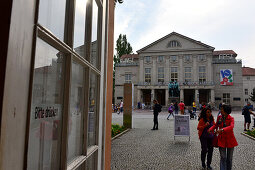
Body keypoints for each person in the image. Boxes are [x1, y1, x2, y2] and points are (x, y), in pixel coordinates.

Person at [209, 104, 238, 170]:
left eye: (222, 109)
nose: (220, 110)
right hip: (221, 139)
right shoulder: (219, 117)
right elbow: (216, 125)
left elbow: (231, 127)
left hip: (230, 140)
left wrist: (222, 129)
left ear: (226, 110)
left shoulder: (231, 118)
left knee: (229, 158)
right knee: (223, 157)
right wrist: (211, 129)